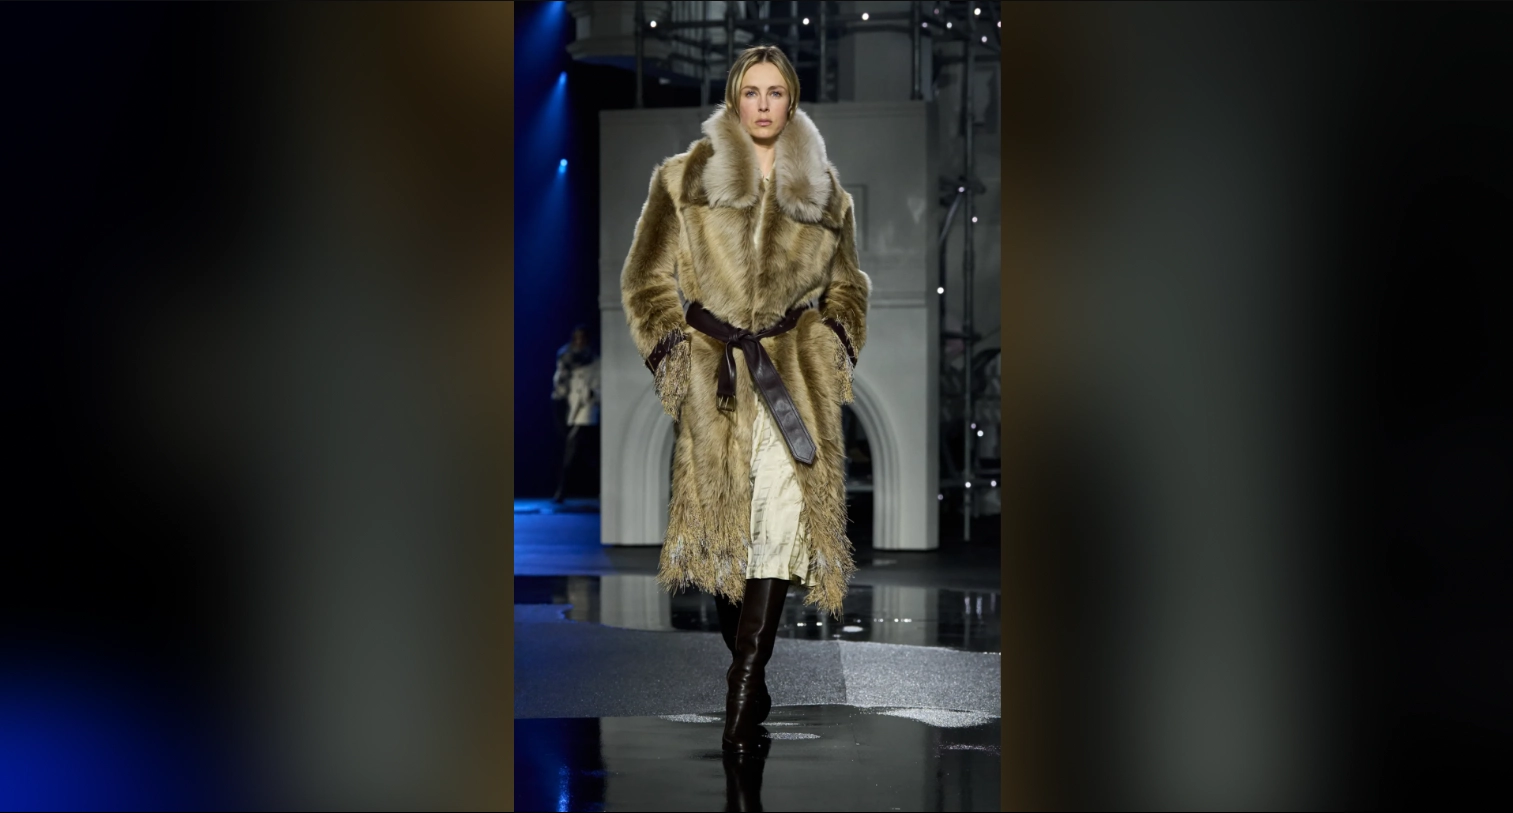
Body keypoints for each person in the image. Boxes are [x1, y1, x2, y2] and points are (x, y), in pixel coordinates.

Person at [619, 44, 870, 753]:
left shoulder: (827, 195)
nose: (763, 104)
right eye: (751, 91)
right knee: (726, 545)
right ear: (734, 99)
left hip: (791, 381)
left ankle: (739, 698)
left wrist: (830, 343)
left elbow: (848, 288)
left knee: (780, 527)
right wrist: (674, 351)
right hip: (718, 382)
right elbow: (645, 278)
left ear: (792, 101)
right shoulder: (682, 179)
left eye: (775, 92)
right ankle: (750, 679)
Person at [550, 324, 600, 504]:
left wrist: (591, 394)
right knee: (588, 453)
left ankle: (561, 491)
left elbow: (599, 386)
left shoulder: (595, 361)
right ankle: (601, 487)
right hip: (566, 407)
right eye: (577, 338)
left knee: (572, 449)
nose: (579, 342)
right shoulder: (565, 357)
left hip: (585, 409)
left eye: (583, 338)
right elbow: (559, 384)